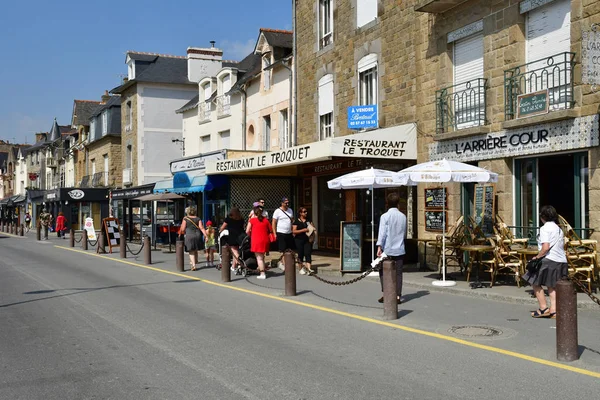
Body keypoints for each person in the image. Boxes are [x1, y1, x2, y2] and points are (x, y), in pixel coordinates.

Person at [524, 205, 568, 319]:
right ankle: (554, 310)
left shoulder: (544, 228)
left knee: (533, 280)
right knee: (552, 285)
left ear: (542, 217)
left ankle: (543, 308)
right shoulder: (559, 229)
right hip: (561, 260)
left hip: (549, 259)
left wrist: (536, 257)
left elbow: (545, 247)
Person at [376, 192, 407, 304]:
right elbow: (404, 233)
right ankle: (398, 296)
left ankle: (386, 293)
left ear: (387, 203)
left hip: (387, 249)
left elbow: (382, 233)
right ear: (398, 203)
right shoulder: (403, 216)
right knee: (398, 273)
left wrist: (379, 246)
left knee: (383, 271)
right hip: (399, 248)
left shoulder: (384, 216)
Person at [246, 205, 273, 280]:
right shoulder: (266, 220)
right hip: (265, 240)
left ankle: (262, 273)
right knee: (262, 257)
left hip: (256, 240)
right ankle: (262, 269)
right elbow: (270, 230)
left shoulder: (252, 220)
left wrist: (251, 235)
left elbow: (247, 231)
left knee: (259, 258)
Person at [179, 206, 206, 271]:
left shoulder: (185, 218)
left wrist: (180, 233)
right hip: (198, 235)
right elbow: (201, 228)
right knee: (195, 248)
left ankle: (193, 265)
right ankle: (196, 260)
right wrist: (206, 235)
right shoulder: (198, 218)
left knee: (191, 251)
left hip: (189, 235)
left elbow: (182, 229)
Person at [272, 197, 295, 268]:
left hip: (289, 232)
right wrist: (274, 233)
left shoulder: (290, 210)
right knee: (283, 249)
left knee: (289, 249)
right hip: (281, 232)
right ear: (282, 203)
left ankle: (286, 262)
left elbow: (292, 220)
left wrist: (293, 229)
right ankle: (285, 264)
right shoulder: (277, 211)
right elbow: (274, 222)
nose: (287, 204)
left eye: (288, 202)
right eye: (286, 203)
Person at [220, 207, 245, 272]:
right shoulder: (241, 219)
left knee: (234, 251)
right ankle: (233, 266)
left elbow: (223, 227)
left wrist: (220, 231)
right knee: (235, 250)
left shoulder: (228, 219)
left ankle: (239, 262)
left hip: (232, 236)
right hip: (240, 236)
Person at [293, 207, 315, 275]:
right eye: (304, 211)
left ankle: (309, 269)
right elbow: (294, 231)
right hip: (299, 239)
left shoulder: (308, 220)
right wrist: (303, 230)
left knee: (308, 253)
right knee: (300, 254)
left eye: (306, 211)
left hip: (307, 239)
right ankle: (300, 268)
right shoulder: (296, 221)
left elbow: (313, 228)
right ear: (300, 213)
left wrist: (313, 235)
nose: (306, 213)